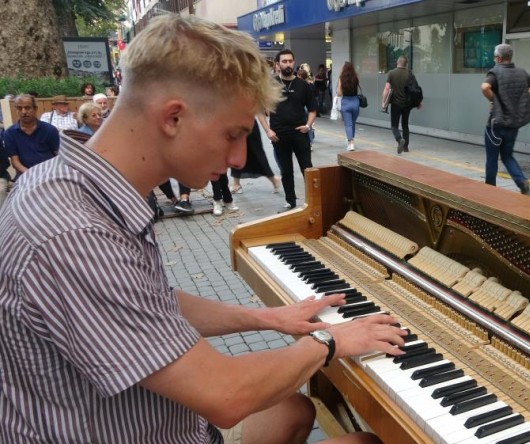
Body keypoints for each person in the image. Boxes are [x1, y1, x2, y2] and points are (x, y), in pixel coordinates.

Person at [0, 14, 404, 444]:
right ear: (173, 118)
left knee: (292, 406)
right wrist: (329, 341)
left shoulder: (72, 184)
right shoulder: (74, 232)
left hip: (174, 426)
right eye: (233, 135)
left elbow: (148, 300)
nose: (238, 159)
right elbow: (225, 396)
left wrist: (268, 318)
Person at [480, 43, 530, 196]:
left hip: (496, 124)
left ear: (499, 58)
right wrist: (526, 95)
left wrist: (493, 100)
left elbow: (485, 87)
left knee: (492, 158)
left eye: (495, 57)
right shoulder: (521, 73)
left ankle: (489, 190)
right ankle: (522, 182)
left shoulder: (495, 72)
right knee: (507, 156)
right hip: (513, 125)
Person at [261, 49, 317, 212]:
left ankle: (314, 201)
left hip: (300, 134)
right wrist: (268, 131)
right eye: (284, 61)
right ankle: (290, 201)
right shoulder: (269, 84)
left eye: (290, 61)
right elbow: (258, 110)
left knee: (308, 169)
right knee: (286, 171)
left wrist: (308, 126)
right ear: (278, 64)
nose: (288, 64)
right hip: (279, 136)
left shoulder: (303, 85)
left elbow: (313, 109)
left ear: (294, 62)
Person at [2, 94, 60, 177]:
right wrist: (32, 175)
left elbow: (58, 155)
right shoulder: (10, 133)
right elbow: (15, 162)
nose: (24, 112)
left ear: (35, 109)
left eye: (27, 108)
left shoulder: (50, 130)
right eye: (19, 108)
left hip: (49, 174)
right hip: (24, 175)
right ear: (16, 110)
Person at [231, 115, 281, 195]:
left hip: (248, 124)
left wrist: (268, 130)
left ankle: (273, 179)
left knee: (256, 153)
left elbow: (259, 112)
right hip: (232, 125)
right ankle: (236, 184)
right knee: (235, 154)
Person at [381, 56, 418, 154]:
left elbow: (387, 88)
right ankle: (406, 147)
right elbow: (415, 89)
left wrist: (383, 102)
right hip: (407, 105)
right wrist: (418, 102)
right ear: (406, 64)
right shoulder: (410, 74)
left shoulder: (392, 73)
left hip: (395, 104)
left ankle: (399, 139)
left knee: (394, 126)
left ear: (397, 62)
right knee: (405, 125)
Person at [337, 62, 361, 152]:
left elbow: (339, 93)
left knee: (348, 124)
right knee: (352, 123)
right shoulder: (356, 77)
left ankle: (351, 143)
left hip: (346, 102)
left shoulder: (341, 78)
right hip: (355, 102)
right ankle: (351, 139)